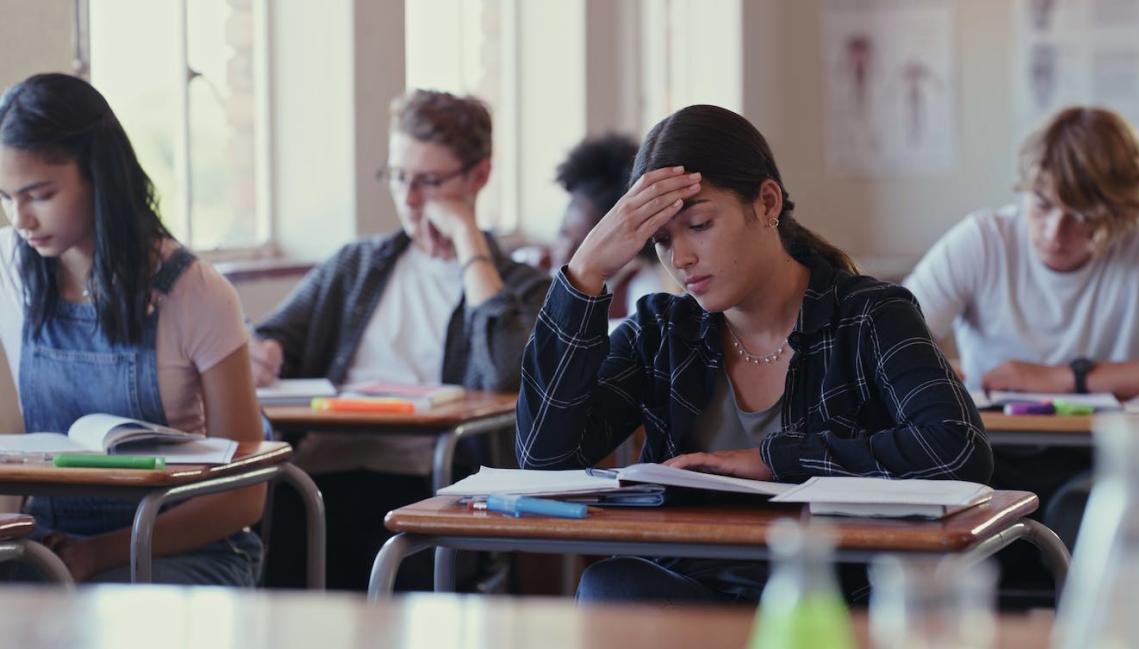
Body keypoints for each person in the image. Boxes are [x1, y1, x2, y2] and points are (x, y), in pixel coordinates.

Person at [516, 104, 991, 603]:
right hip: (690, 590)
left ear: (767, 203)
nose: (681, 259)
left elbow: (957, 449)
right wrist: (586, 270)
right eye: (660, 241)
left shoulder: (870, 315)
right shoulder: (661, 332)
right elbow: (543, 463)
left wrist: (776, 460)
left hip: (828, 596)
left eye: (699, 225)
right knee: (608, 587)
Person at [904, 106, 1139, 586]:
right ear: (1025, 189)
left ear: (1121, 214)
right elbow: (882, 346)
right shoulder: (983, 240)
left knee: (1103, 515)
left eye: (1083, 217)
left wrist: (1070, 378)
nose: (1054, 232)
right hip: (988, 460)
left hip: (1103, 461)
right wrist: (934, 376)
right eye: (1042, 204)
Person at [251, 89, 549, 589]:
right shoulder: (357, 266)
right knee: (276, 517)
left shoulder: (522, 288)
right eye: (398, 177)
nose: (409, 199)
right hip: (321, 475)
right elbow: (275, 335)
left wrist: (468, 241)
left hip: (434, 482)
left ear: (478, 176)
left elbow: (504, 372)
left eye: (429, 182)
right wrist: (266, 351)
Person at [0, 73, 265, 584]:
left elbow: (244, 494)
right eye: (8, 198)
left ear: (100, 175)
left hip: (181, 546)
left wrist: (98, 553)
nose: (22, 219)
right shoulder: (12, 270)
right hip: (47, 543)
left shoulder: (196, 292)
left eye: (40, 194)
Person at [550, 133, 673, 318]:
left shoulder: (644, 293)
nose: (565, 253)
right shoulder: (536, 270)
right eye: (564, 234)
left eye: (583, 245)